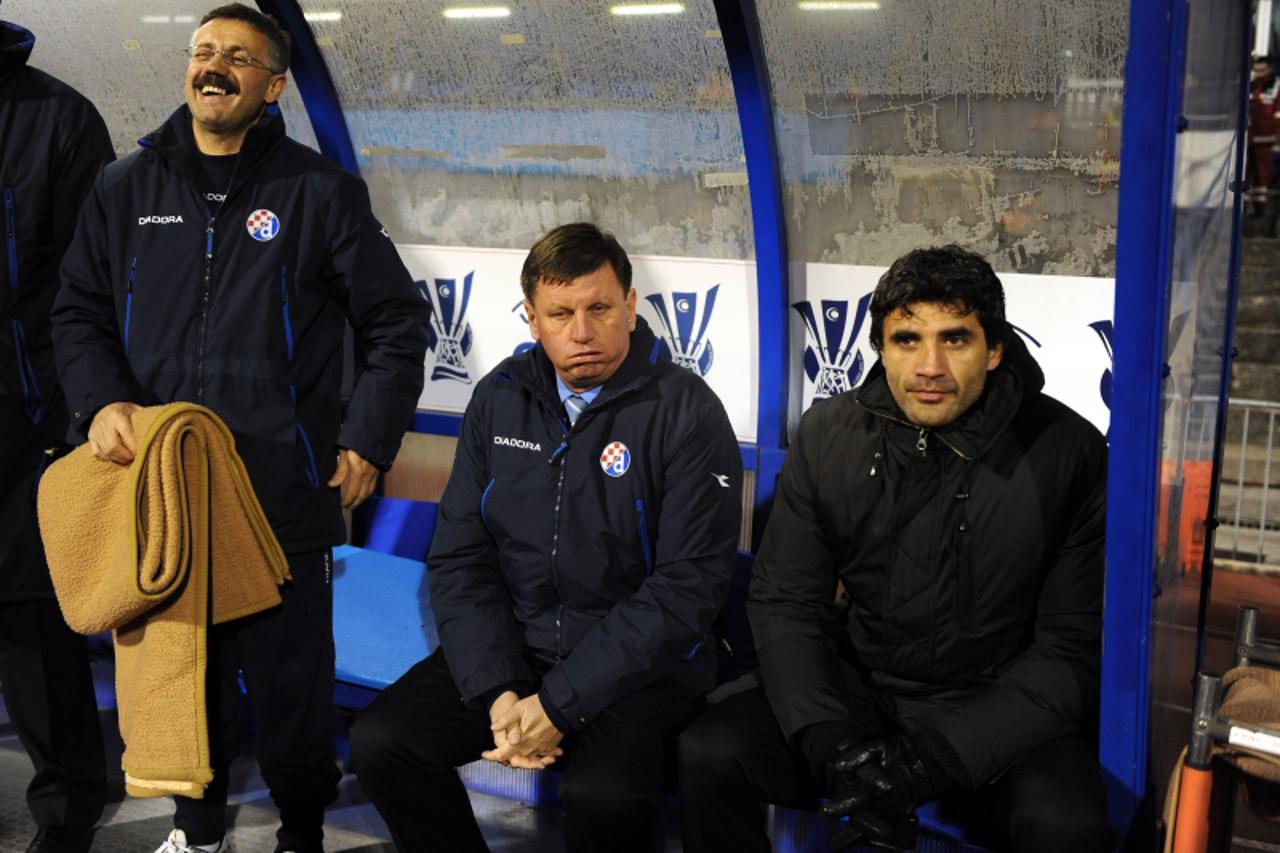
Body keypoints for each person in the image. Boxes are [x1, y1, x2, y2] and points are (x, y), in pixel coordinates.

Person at [51, 5, 431, 852]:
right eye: (202, 52)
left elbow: (398, 323)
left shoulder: (318, 192)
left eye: (237, 57)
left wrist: (366, 441)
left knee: (291, 687)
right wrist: (101, 401)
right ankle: (197, 829)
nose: (213, 67)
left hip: (280, 492)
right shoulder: (124, 186)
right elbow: (76, 311)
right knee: (182, 680)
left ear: (273, 84)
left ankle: (300, 829)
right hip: (165, 491)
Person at [678, 245, 1113, 852]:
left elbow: (1071, 649)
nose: (929, 366)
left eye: (954, 340)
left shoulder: (1071, 453)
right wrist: (831, 743)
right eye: (907, 340)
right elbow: (786, 602)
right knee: (710, 750)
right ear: (881, 348)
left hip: (999, 708)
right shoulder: (831, 433)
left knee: (1068, 826)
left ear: (994, 349)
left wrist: (928, 763)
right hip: (864, 695)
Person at [351, 222, 743, 852]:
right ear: (532, 318)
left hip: (642, 670)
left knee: (604, 797)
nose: (582, 332)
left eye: (600, 309)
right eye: (561, 314)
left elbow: (686, 588)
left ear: (631, 306)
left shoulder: (685, 410)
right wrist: (499, 691)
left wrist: (558, 705)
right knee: (383, 743)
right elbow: (460, 557)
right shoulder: (499, 398)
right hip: (518, 650)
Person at [0, 13, 113, 853]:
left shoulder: (60, 117)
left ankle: (69, 803)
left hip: (27, 413)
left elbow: (92, 285)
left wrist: (73, 407)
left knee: (35, 619)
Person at [1249, 57, 1280, 214]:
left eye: (1261, 70)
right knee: (1245, 171)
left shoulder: (1275, 85)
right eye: (1255, 70)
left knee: (1262, 173)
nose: (1257, 73)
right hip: (1249, 135)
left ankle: (1260, 208)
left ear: (1268, 70)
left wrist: (1273, 129)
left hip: (1265, 137)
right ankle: (1244, 204)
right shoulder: (1251, 84)